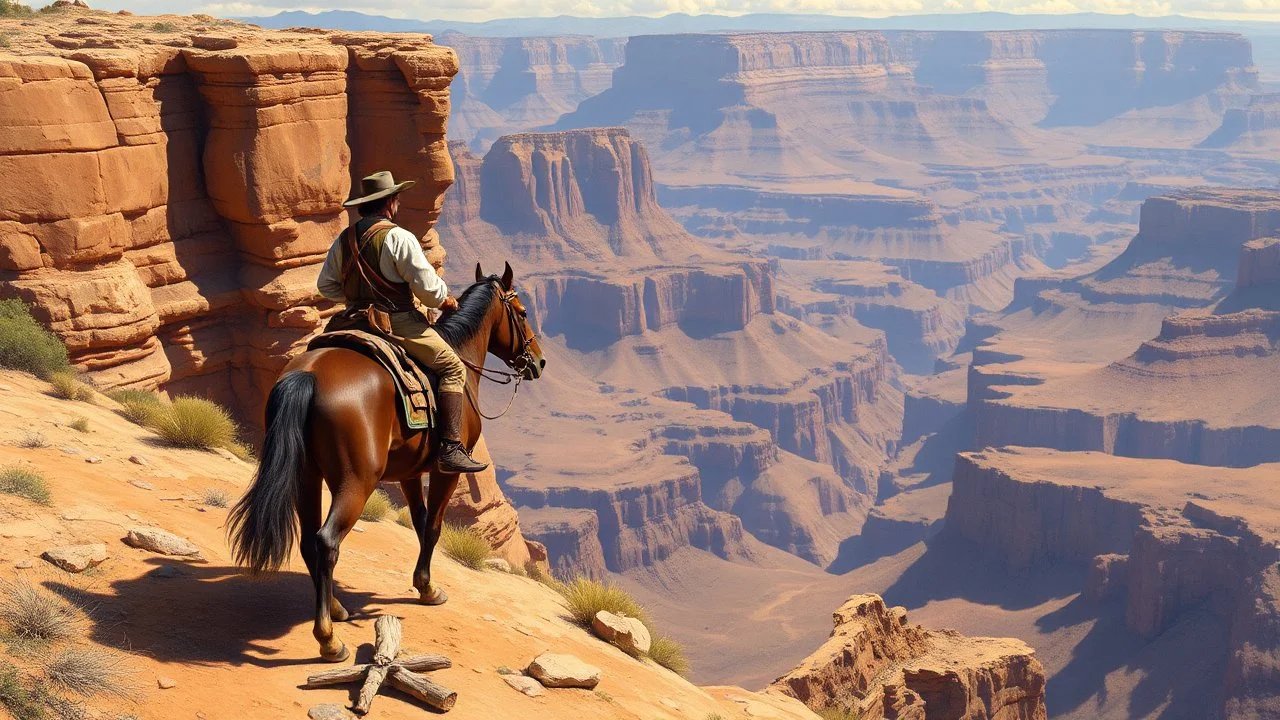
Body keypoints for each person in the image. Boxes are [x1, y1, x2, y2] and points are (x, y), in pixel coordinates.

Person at [317, 171, 488, 474]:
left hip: (352, 321)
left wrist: (356, 296)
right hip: (396, 323)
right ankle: (450, 447)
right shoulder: (398, 237)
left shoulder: (344, 240)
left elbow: (326, 286)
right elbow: (426, 287)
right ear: (390, 203)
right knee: (452, 367)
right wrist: (445, 300)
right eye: (396, 198)